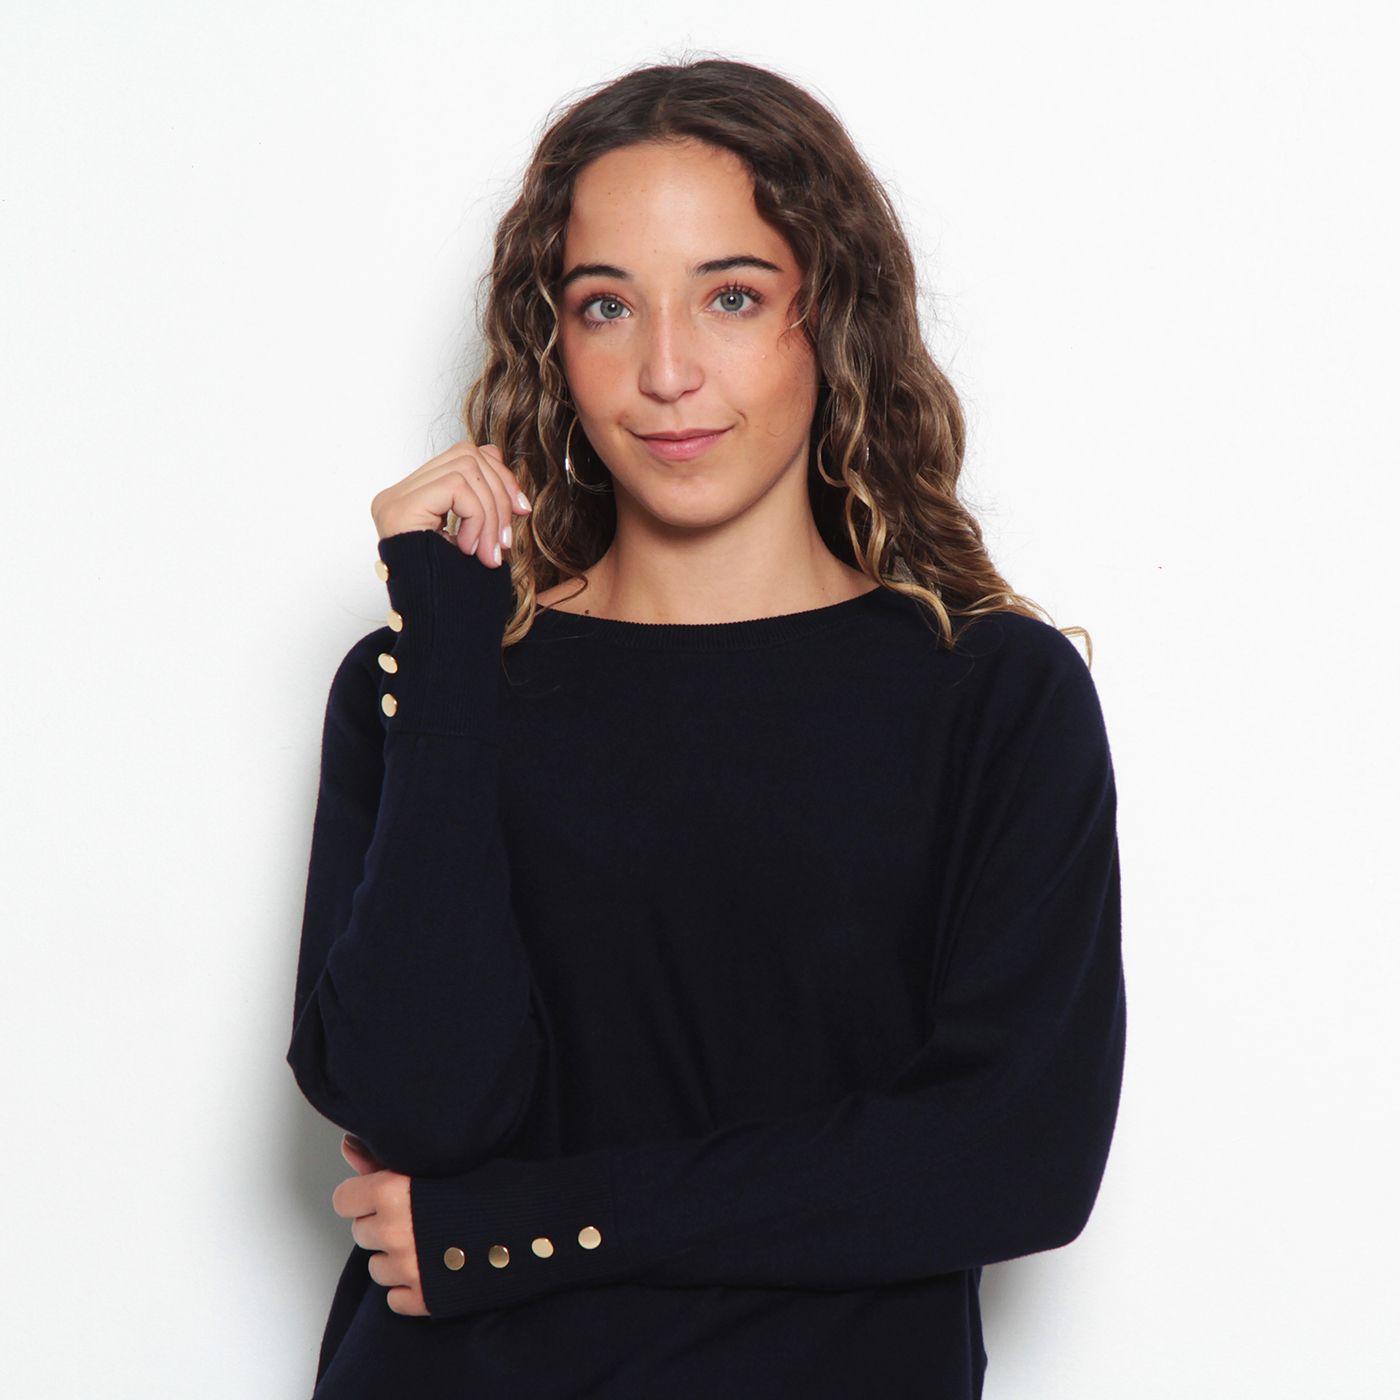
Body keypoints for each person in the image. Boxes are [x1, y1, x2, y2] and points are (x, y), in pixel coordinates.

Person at [285, 56, 1126, 1400]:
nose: (667, 372)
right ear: (553, 344)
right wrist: (449, 654)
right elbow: (422, 1105)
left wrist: (522, 1232)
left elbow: (1011, 1157)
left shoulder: (989, 697)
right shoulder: (425, 686)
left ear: (829, 316)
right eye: (606, 306)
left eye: (732, 297)